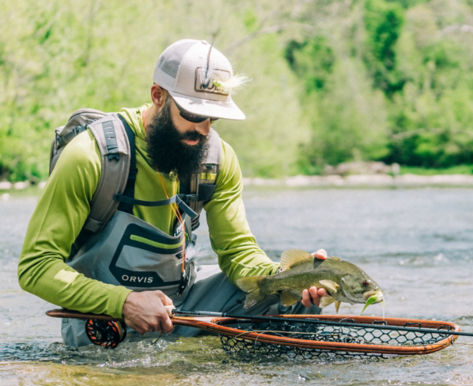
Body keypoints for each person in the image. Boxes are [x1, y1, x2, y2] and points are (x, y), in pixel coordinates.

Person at [17, 38, 326, 346]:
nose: (203, 130)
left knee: (289, 300)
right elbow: (36, 267)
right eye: (192, 114)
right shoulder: (90, 156)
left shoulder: (218, 159)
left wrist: (291, 277)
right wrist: (124, 302)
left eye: (213, 118)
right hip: (104, 322)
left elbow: (238, 255)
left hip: (180, 307)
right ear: (157, 95)